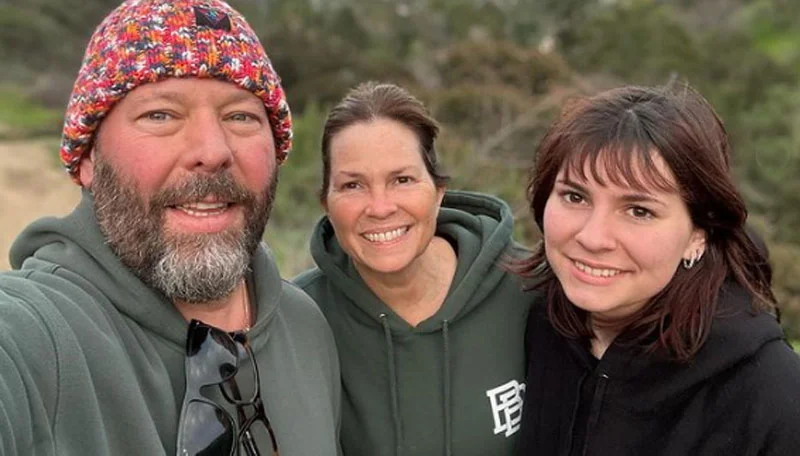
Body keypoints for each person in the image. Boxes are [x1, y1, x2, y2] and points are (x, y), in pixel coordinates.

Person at [0, 0, 341, 455]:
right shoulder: (31, 341)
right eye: (160, 115)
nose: (212, 150)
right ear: (87, 159)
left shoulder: (306, 329)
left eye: (240, 116)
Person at [513, 84, 800, 455]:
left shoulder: (771, 396)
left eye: (639, 211)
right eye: (575, 196)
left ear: (699, 233)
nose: (593, 237)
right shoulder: (527, 326)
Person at [294, 81, 535, 456]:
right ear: (326, 201)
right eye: (353, 185)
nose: (379, 207)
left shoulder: (533, 290)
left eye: (402, 180)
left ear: (438, 191)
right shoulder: (296, 321)